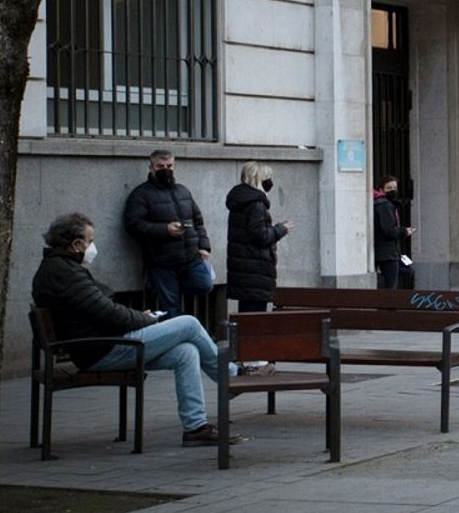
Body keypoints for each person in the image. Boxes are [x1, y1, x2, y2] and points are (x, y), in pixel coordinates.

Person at [33, 213, 239, 446]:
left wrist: (143, 318)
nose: (92, 247)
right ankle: (231, 377)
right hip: (102, 349)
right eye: (90, 242)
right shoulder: (63, 273)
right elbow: (109, 312)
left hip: (103, 344)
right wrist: (146, 319)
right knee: (189, 324)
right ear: (76, 244)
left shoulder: (61, 268)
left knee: (187, 352)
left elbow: (103, 309)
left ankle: (195, 428)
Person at [123, 150, 213, 318]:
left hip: (191, 258)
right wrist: (165, 230)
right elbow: (133, 225)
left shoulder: (183, 191)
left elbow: (198, 221)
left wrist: (204, 246)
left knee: (205, 284)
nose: (166, 169)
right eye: (160, 166)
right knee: (172, 309)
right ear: (151, 168)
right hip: (162, 262)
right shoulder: (141, 194)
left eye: (169, 166)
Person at [225, 161, 290, 315]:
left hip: (244, 267)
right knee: (255, 316)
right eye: (267, 177)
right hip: (255, 268)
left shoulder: (241, 200)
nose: (270, 182)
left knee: (247, 313)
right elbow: (261, 236)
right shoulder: (256, 204)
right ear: (257, 179)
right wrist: (281, 229)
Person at [373, 176, 414, 289]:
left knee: (408, 270)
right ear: (381, 190)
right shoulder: (384, 205)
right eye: (389, 188)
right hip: (387, 254)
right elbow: (388, 230)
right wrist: (404, 231)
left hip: (390, 252)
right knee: (391, 286)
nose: (393, 190)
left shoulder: (381, 203)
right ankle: (388, 305)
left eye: (395, 187)